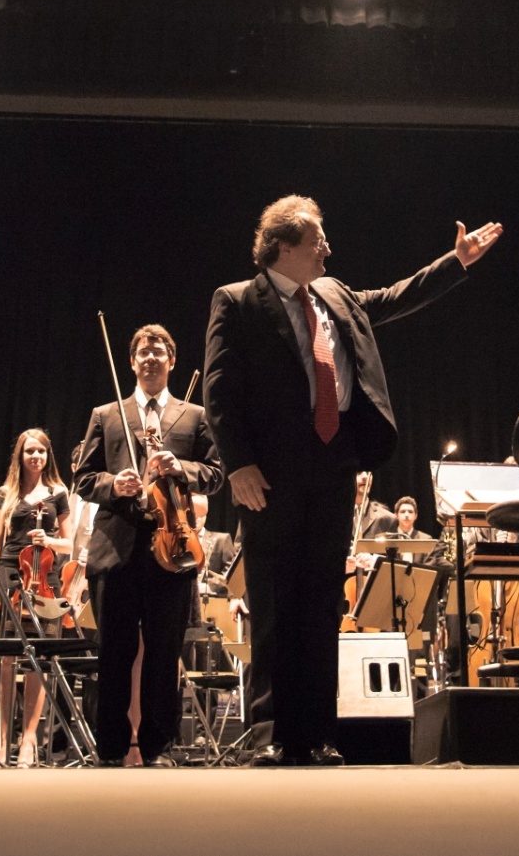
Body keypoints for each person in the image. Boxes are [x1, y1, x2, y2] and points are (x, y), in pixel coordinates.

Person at [205, 195, 501, 766]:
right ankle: (271, 734)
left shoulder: (335, 294)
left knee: (321, 601)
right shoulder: (237, 301)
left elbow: (395, 297)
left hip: (335, 461)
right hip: (269, 472)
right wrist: (237, 463)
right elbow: (219, 390)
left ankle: (317, 735)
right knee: (275, 601)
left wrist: (456, 261)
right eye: (317, 240)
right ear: (282, 246)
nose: (328, 248)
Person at [73, 324, 224, 767]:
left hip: (172, 548)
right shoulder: (106, 414)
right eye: (143, 352)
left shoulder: (194, 416)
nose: (151, 358)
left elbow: (215, 474)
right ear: (132, 362)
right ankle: (111, 748)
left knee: (163, 653)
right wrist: (112, 484)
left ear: (172, 361)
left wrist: (182, 468)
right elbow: (83, 478)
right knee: (113, 654)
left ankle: (159, 747)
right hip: (116, 548)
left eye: (159, 352)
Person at [0, 426, 77, 766]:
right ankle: (2, 741)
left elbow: (69, 544)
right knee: (6, 662)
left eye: (41, 451)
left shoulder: (58, 493)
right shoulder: (4, 494)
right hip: (10, 575)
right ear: (20, 456)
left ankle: (28, 740)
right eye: (29, 451)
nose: (36, 456)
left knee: (38, 661)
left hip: (45, 579)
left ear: (48, 455)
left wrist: (48, 541)